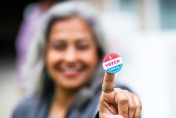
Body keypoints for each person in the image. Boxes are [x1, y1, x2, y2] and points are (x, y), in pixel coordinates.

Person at [12, 1, 142, 118]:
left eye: (82, 46)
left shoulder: (114, 102)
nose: (70, 58)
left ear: (98, 53)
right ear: (43, 54)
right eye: (59, 46)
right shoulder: (24, 109)